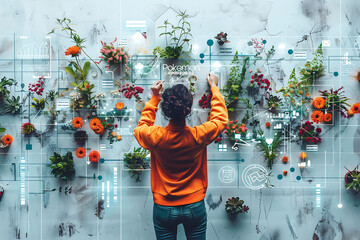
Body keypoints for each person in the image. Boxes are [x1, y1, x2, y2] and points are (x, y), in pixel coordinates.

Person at [133, 73, 228, 240]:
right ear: (188, 109)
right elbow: (220, 119)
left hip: (164, 207)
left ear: (166, 109)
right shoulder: (199, 136)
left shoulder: (156, 137)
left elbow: (141, 127)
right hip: (195, 205)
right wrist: (214, 87)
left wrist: (155, 98)